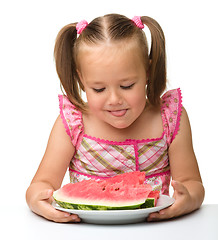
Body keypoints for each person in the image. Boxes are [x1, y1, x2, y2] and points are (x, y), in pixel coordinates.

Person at [26, 14, 205, 223]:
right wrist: (37, 201)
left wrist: (187, 200)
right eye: (99, 89)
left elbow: (192, 183)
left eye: (127, 86)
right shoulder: (73, 123)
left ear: (147, 71)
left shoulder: (170, 118)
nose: (114, 99)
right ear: (82, 79)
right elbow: (41, 184)